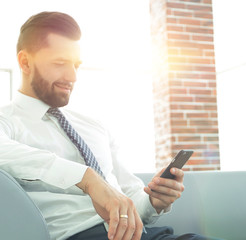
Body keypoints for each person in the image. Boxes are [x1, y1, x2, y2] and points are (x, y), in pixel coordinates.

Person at [0, 11, 214, 240]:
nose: (72, 76)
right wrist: (87, 180)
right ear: (24, 62)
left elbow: (132, 198)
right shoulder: (7, 121)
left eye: (76, 65)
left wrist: (154, 201)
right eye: (60, 63)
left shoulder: (94, 127)